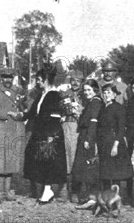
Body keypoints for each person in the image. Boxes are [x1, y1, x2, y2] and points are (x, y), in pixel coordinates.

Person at [23, 64, 67, 203]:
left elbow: (55, 117)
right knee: (38, 161)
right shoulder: (42, 95)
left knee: (49, 161)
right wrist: (20, 115)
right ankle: (44, 190)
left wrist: (50, 136)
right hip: (39, 133)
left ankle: (48, 191)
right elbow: (32, 112)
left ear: (45, 80)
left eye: (39, 79)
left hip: (49, 134)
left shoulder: (53, 96)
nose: (37, 82)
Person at [0, 69, 25, 201]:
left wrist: (20, 114)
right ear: (1, 78)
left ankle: (7, 190)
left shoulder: (19, 92)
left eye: (10, 77)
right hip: (0, 128)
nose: (7, 80)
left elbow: (24, 108)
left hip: (14, 128)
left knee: (11, 159)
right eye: (5, 77)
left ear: (13, 78)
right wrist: (10, 113)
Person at [72, 79, 103, 208]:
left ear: (95, 90)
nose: (86, 92)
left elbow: (94, 122)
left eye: (89, 90)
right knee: (83, 167)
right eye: (85, 90)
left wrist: (89, 140)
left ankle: (91, 197)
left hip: (88, 137)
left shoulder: (96, 102)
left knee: (88, 167)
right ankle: (86, 196)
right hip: (85, 135)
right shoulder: (91, 102)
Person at [97, 84, 132, 191]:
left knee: (115, 173)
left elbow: (121, 128)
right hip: (104, 143)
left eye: (109, 92)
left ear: (114, 94)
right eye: (104, 92)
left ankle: (114, 198)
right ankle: (106, 199)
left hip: (114, 142)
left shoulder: (119, 108)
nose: (106, 95)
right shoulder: (103, 108)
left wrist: (115, 145)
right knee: (105, 173)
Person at [60, 71, 84, 202]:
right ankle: (64, 189)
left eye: (78, 81)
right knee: (65, 157)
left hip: (78, 128)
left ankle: (75, 191)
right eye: (73, 80)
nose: (75, 83)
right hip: (65, 126)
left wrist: (79, 111)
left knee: (76, 159)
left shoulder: (84, 95)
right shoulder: (64, 94)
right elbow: (59, 109)